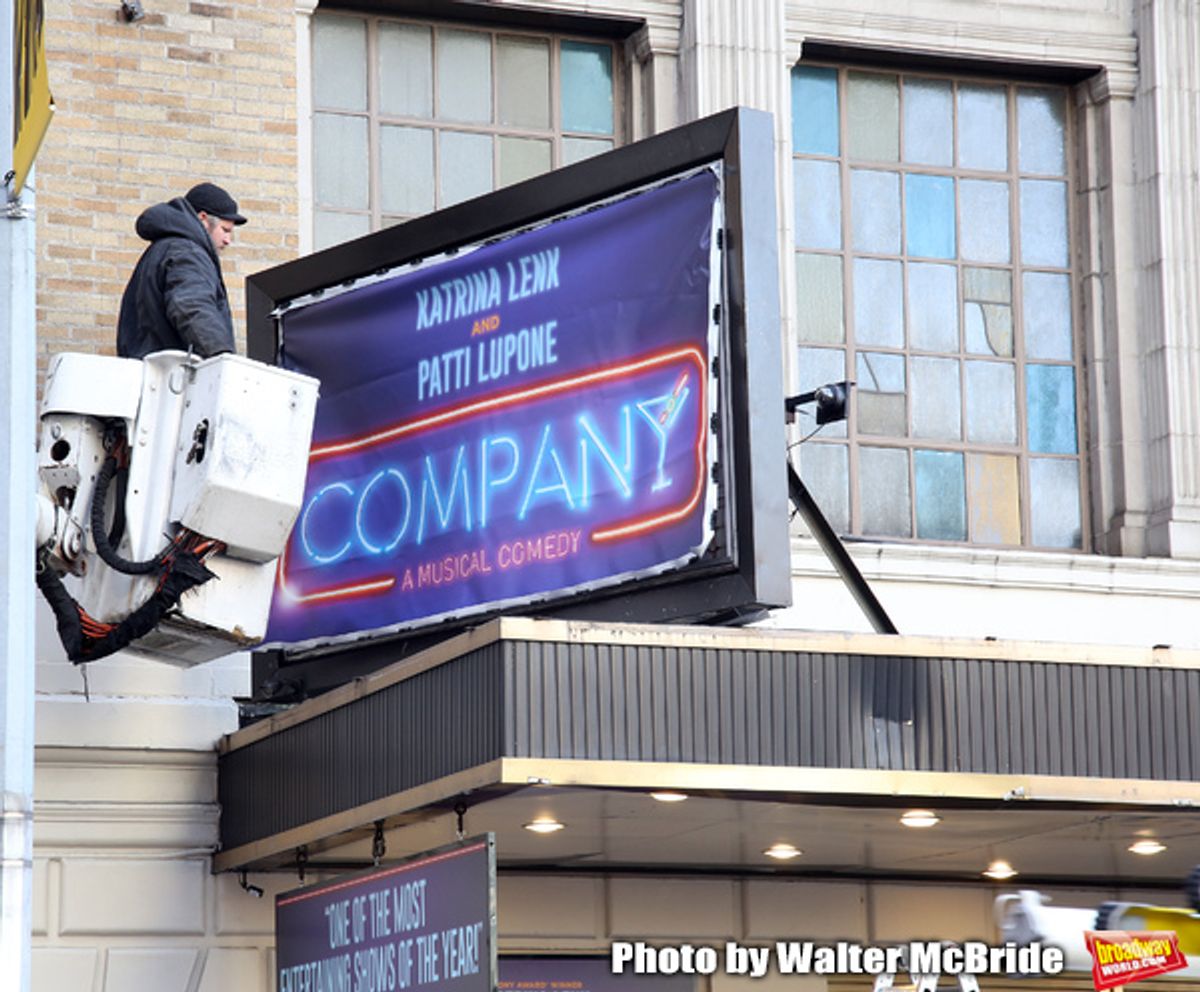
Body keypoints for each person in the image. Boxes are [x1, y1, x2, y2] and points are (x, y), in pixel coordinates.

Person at [116, 182, 247, 359]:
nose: (227, 240)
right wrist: (221, 359)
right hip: (173, 378)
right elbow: (192, 306)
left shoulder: (164, 249)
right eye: (225, 230)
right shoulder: (187, 252)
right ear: (203, 219)